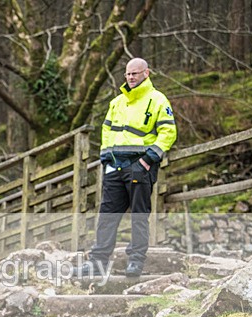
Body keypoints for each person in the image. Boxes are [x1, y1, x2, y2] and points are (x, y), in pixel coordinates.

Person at [76, 58, 177, 278]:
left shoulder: (158, 100)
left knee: (139, 216)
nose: (131, 77)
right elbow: (107, 131)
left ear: (146, 73)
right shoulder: (116, 102)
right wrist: (105, 160)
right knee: (107, 216)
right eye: (128, 74)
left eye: (135, 73)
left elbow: (168, 132)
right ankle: (97, 262)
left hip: (140, 165)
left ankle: (136, 261)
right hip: (114, 167)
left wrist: (148, 159)